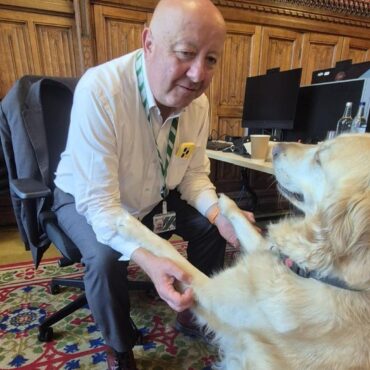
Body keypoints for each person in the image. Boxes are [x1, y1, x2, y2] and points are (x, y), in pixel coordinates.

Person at [53, 0, 255, 368]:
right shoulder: (101, 91)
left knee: (211, 228)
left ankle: (191, 313)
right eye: (186, 53)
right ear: (148, 43)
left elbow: (193, 175)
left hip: (154, 197)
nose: (198, 74)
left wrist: (218, 214)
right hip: (85, 197)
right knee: (103, 258)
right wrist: (149, 258)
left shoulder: (199, 104)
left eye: (211, 59)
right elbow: (102, 207)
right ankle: (120, 348)